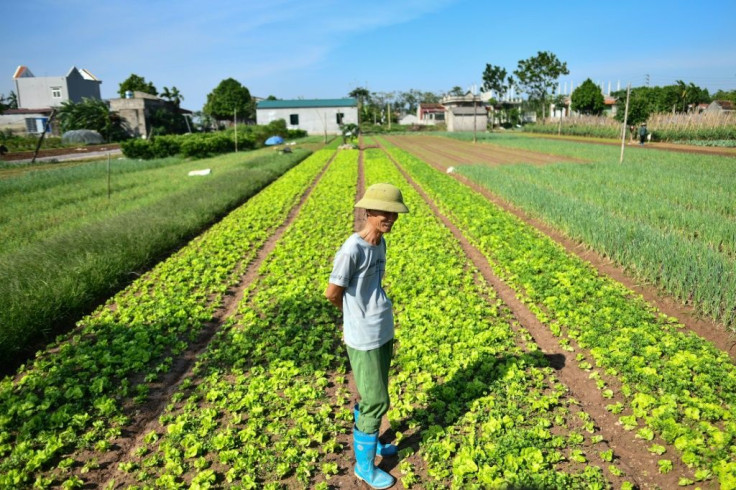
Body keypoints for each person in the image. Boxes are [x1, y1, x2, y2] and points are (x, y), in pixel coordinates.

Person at [324, 183, 409, 489]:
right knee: (375, 399)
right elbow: (332, 293)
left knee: (376, 391)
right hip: (364, 335)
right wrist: (353, 315)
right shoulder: (352, 249)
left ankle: (373, 442)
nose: (390, 218)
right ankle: (364, 466)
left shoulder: (380, 243)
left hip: (382, 327)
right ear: (369, 211)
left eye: (394, 213)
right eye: (384, 212)